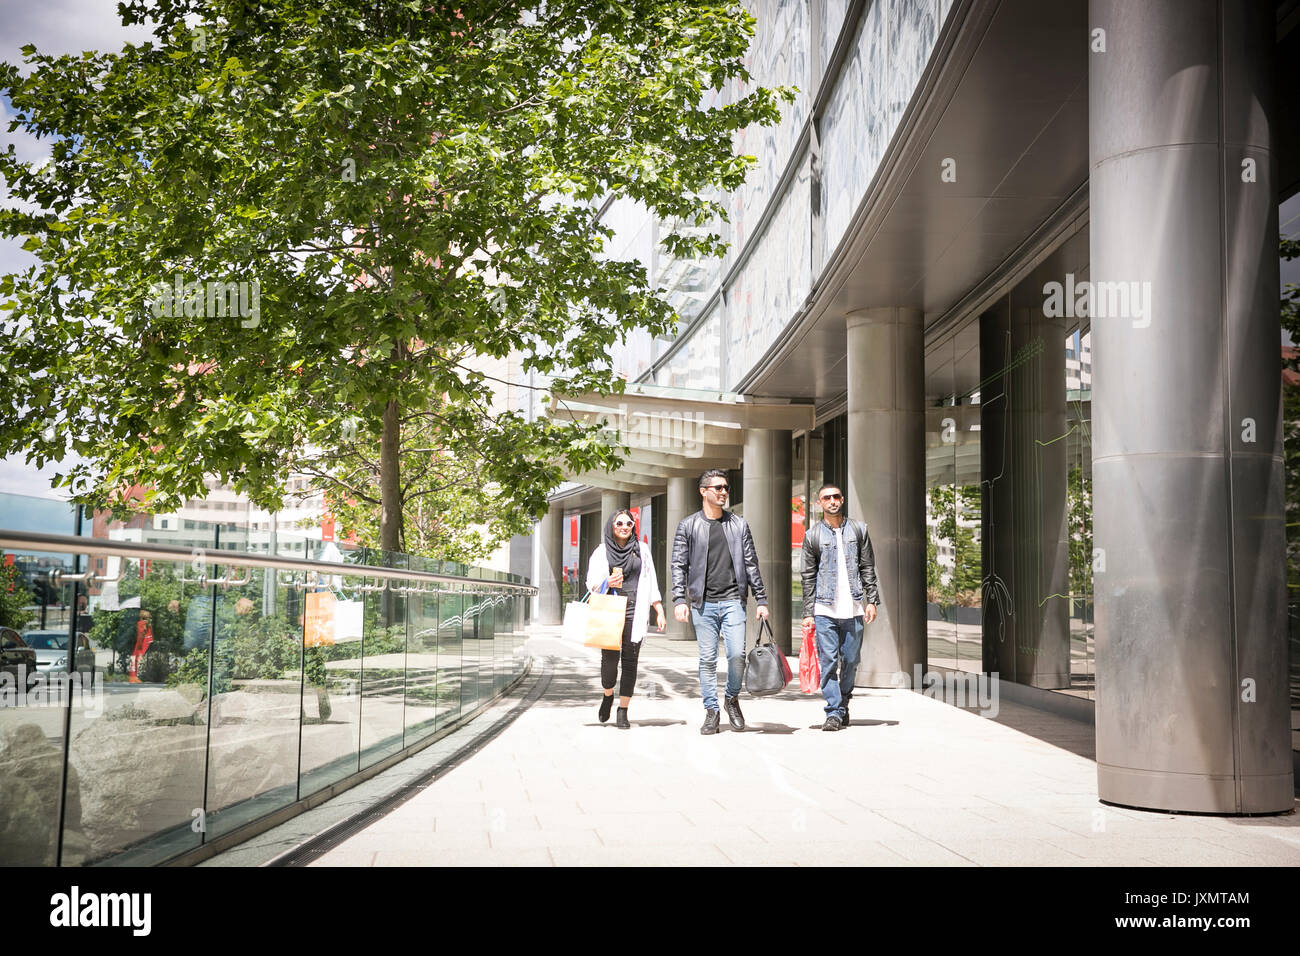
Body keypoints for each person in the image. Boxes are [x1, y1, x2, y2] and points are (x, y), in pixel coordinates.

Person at [670, 468, 768, 735]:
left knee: (737, 655)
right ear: (704, 491)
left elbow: (751, 563)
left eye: (726, 487)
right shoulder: (688, 525)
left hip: (733, 600)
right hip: (703, 603)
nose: (724, 492)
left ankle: (732, 699)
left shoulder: (739, 524)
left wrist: (761, 598)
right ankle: (711, 710)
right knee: (708, 659)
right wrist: (679, 599)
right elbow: (678, 565)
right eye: (718, 488)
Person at [800, 483, 879, 731]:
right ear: (819, 503)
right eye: (827, 497)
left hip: (854, 608)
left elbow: (867, 568)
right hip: (824, 610)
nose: (832, 500)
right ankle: (833, 711)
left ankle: (843, 703)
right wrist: (808, 613)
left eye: (836, 496)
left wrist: (872, 601)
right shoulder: (812, 535)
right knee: (828, 662)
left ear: (842, 500)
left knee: (851, 661)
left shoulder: (858, 530)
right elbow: (807, 576)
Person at [585, 509, 666, 729]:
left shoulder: (642, 549)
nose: (624, 527)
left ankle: (623, 710)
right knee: (609, 661)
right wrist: (607, 582)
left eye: (629, 524)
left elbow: (652, 580)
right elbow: (590, 581)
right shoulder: (602, 551)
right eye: (619, 523)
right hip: (610, 610)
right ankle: (608, 694)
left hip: (635, 610)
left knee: (630, 662)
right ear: (612, 526)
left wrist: (658, 609)